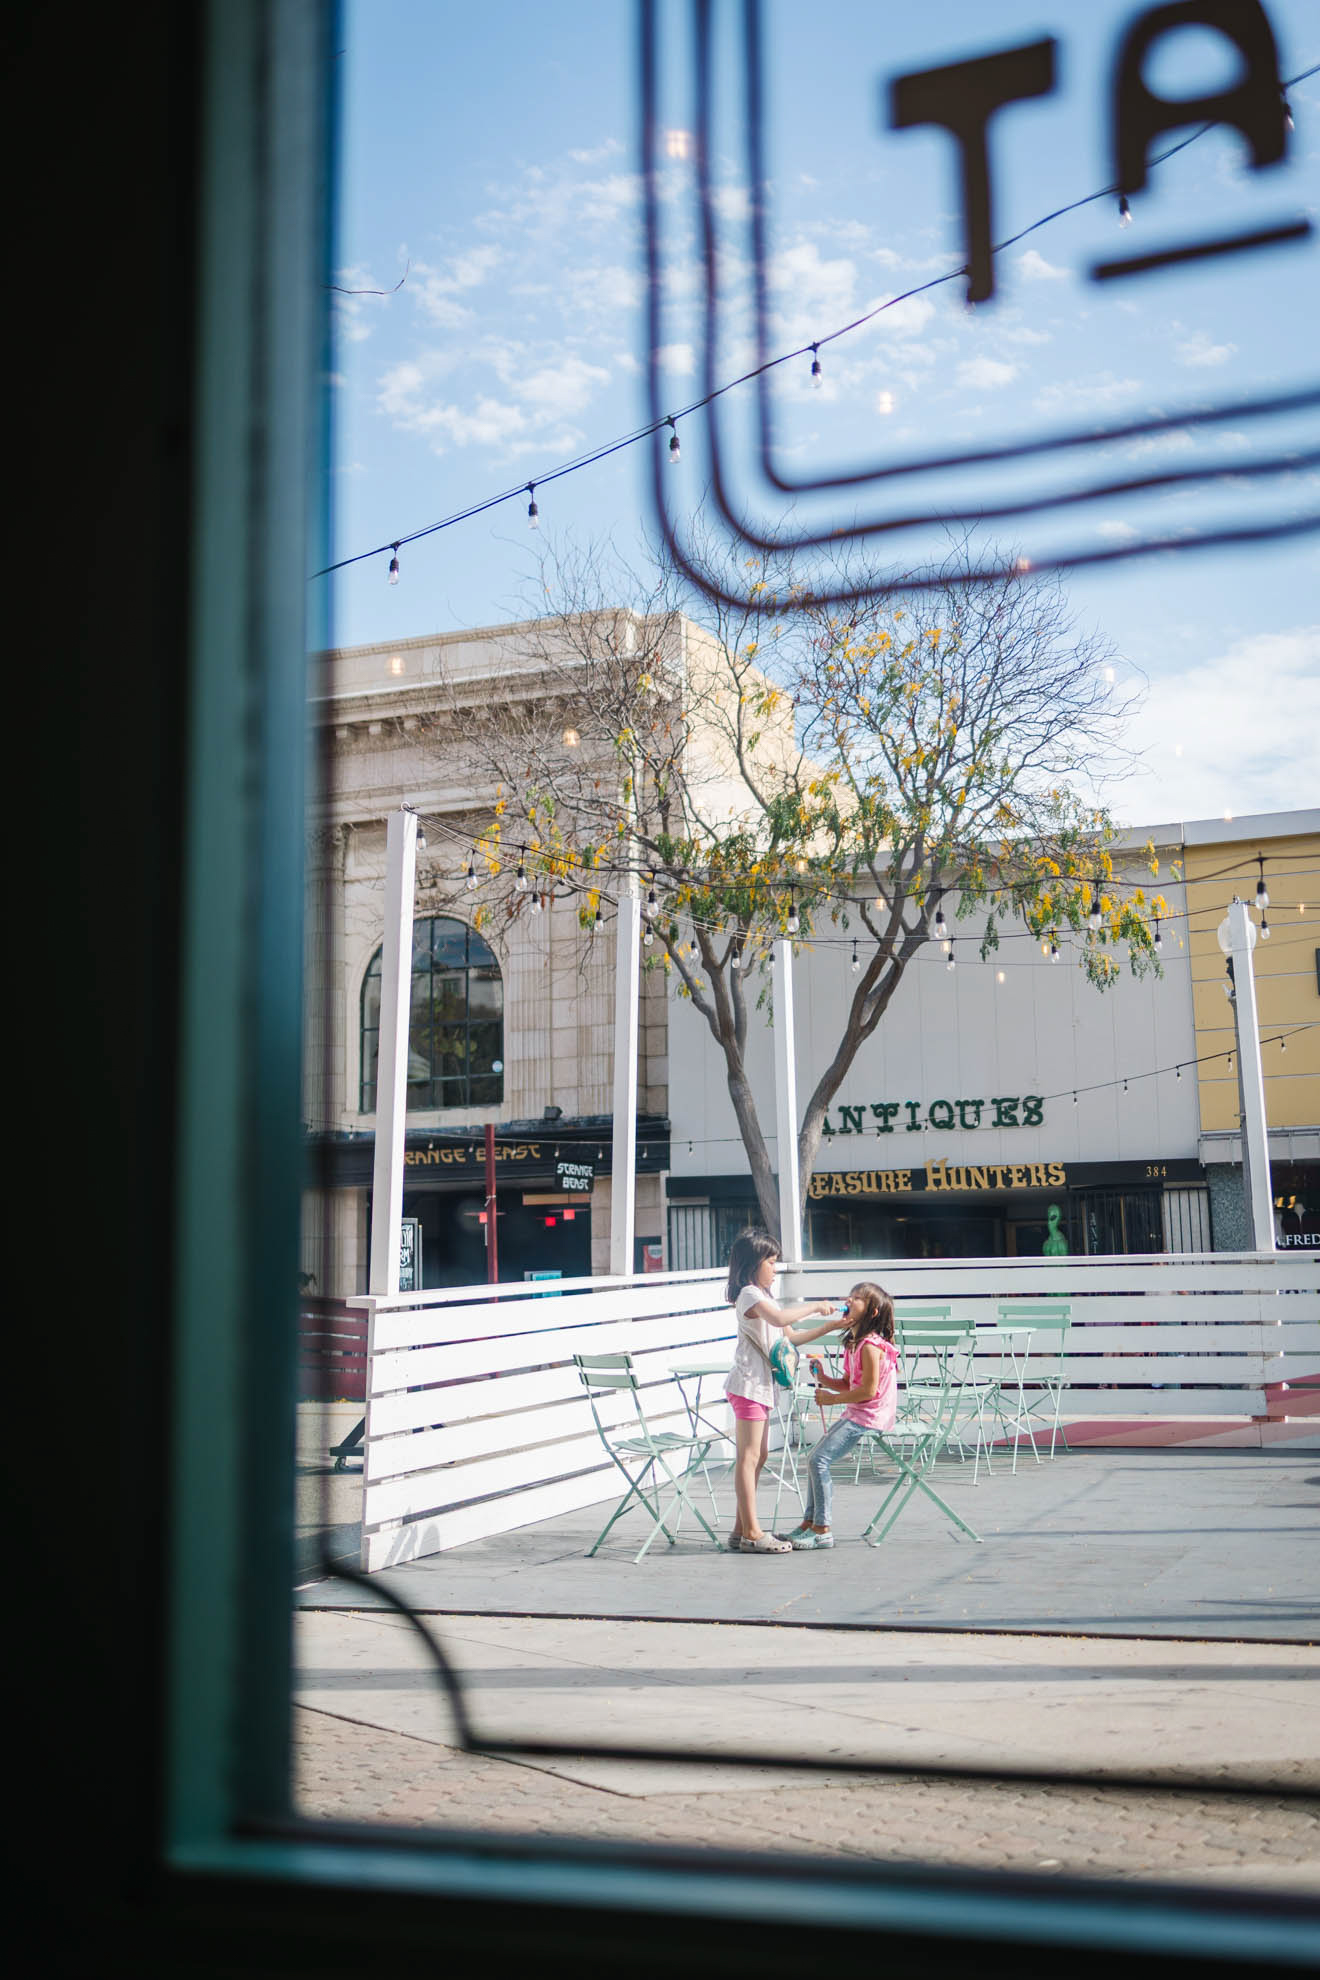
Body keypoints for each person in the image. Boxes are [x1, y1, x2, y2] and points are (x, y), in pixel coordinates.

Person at [724, 1229, 842, 1553]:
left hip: (760, 1386)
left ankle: (741, 1529)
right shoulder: (750, 1294)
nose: (775, 1268)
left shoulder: (763, 1297)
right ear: (753, 1263)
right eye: (771, 1261)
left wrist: (829, 1327)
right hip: (748, 1384)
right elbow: (779, 1318)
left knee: (757, 1456)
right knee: (749, 1458)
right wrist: (815, 1306)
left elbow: (789, 1336)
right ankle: (751, 1532)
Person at [787, 1282, 899, 1550]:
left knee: (819, 1460)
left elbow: (868, 1391)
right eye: (851, 1295)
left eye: (858, 1298)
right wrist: (824, 1379)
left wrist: (832, 1399)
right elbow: (851, 1384)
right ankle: (810, 1522)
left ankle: (822, 1529)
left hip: (870, 1416)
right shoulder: (854, 1343)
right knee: (814, 1458)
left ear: (871, 1312)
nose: (850, 1299)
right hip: (859, 1411)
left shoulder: (871, 1346)